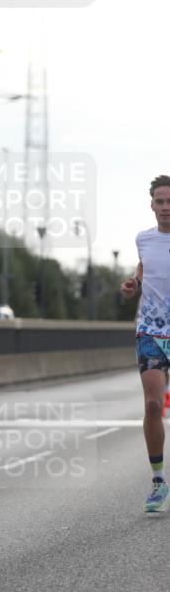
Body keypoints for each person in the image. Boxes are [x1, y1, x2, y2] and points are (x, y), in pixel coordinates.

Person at [120, 174, 170, 514]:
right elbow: (144, 267)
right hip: (151, 331)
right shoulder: (144, 239)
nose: (165, 208)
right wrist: (133, 284)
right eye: (160, 202)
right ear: (152, 205)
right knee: (153, 405)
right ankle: (158, 481)